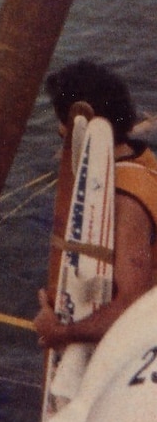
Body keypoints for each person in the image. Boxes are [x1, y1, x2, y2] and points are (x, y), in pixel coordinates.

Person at [33, 61, 157, 357]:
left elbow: (131, 306)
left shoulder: (127, 197)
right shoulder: (140, 157)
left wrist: (60, 331)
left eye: (62, 121)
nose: (59, 129)